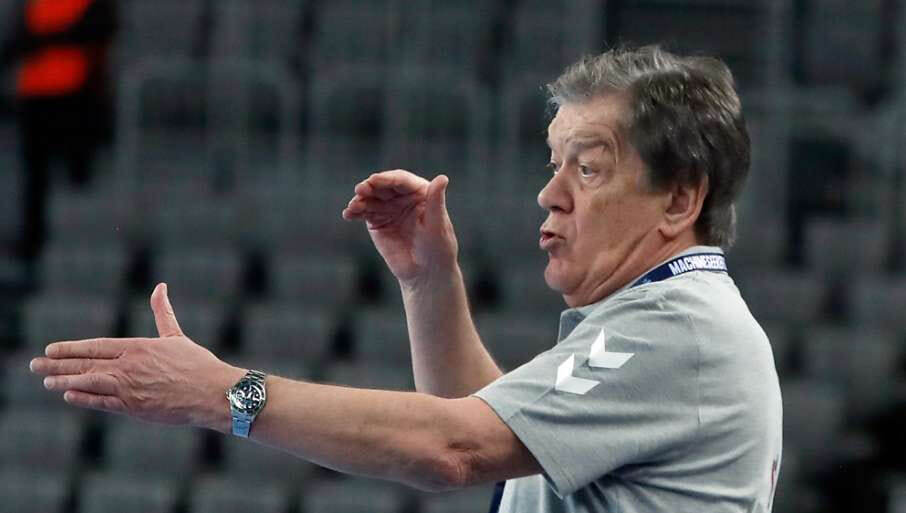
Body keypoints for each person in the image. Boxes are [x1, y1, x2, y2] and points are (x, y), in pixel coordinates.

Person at [29, 46, 782, 512]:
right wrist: (430, 283)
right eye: (554, 164)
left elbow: (454, 448)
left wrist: (224, 394)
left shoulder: (678, 330)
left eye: (587, 168)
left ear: (680, 199)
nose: (549, 194)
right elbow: (485, 429)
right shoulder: (665, 323)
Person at [0, 0, 117, 259]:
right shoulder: (33, 4)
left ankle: (80, 242)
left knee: (77, 175)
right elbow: (15, 41)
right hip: (35, 95)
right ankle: (34, 243)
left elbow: (98, 31)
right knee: (36, 178)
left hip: (75, 95)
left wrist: (43, 40)